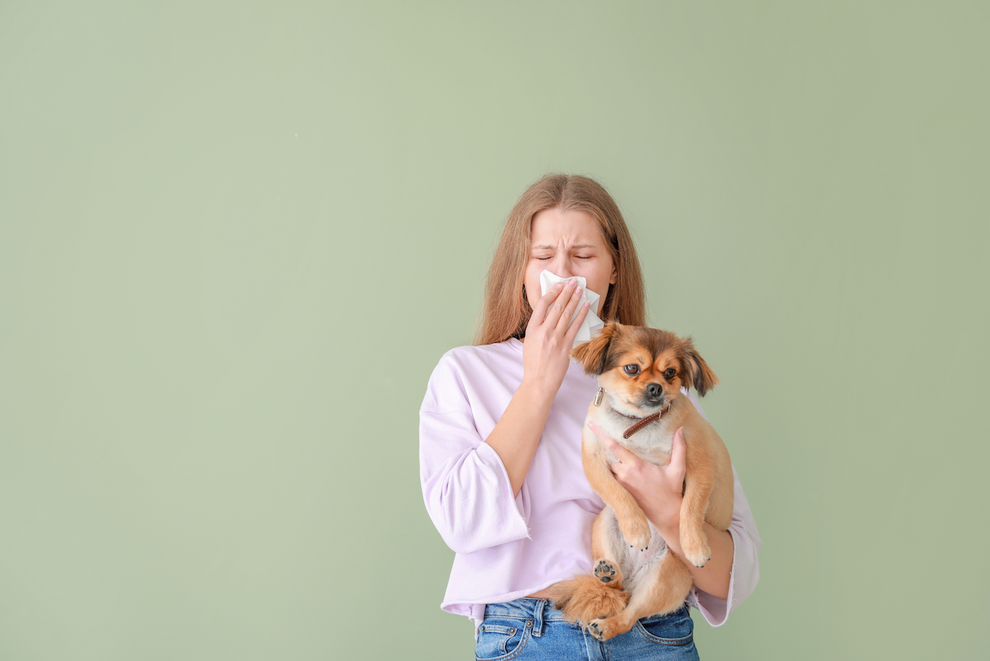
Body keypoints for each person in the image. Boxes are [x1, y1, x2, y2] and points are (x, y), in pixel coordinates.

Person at [419, 174, 761, 660]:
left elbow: (734, 572)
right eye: (542, 256)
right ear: (519, 268)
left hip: (654, 633)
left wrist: (665, 511)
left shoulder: (655, 387)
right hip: (529, 635)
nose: (562, 274)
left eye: (582, 256)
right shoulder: (465, 374)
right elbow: (461, 522)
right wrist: (539, 382)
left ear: (613, 269)